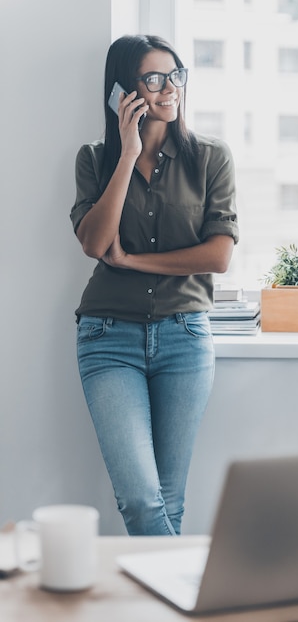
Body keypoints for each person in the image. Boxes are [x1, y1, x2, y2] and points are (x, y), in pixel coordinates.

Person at [70, 35, 238, 536]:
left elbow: (219, 256)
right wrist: (127, 155)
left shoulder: (211, 157)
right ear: (124, 90)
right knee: (143, 501)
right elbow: (96, 244)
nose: (170, 88)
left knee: (170, 500)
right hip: (108, 339)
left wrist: (134, 260)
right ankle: (187, 606)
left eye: (176, 75)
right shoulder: (94, 159)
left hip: (185, 337)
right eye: (153, 78)